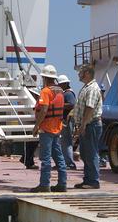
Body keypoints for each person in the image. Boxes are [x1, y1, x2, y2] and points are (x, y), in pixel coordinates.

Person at [30, 64, 67, 192]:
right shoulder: (60, 91)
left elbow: (44, 109)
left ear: (45, 77)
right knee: (59, 157)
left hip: (46, 129)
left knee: (45, 158)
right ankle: (62, 184)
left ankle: (44, 185)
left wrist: (36, 126)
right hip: (57, 128)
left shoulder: (46, 91)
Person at [71, 64, 103, 189]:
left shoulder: (92, 89)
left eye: (81, 72)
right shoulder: (87, 88)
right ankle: (88, 179)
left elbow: (89, 108)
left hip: (91, 124)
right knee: (85, 153)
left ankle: (93, 181)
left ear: (88, 73)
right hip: (88, 124)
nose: (79, 74)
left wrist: (83, 125)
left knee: (91, 152)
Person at [58, 75, 78, 171]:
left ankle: (69, 163)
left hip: (67, 121)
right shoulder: (66, 93)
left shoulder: (68, 94)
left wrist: (59, 105)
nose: (59, 86)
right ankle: (65, 162)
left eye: (61, 84)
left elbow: (72, 104)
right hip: (66, 120)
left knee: (66, 142)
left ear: (65, 84)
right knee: (64, 142)